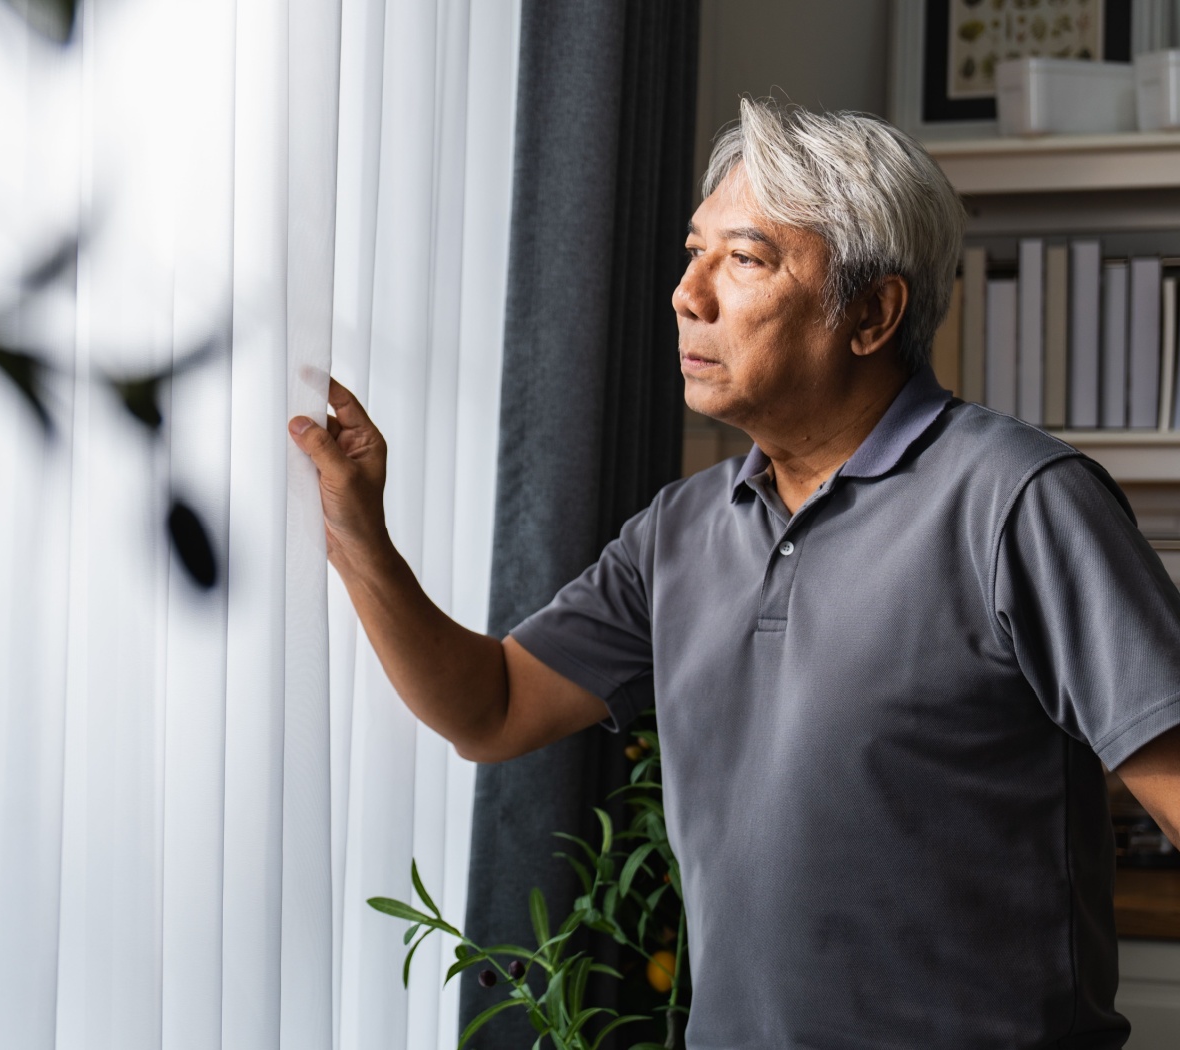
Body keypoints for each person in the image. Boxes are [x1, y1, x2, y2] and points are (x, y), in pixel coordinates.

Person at [289, 98, 1180, 1047]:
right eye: (693, 252)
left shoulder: (1020, 500)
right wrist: (359, 535)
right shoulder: (679, 529)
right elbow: (493, 708)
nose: (688, 292)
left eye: (746, 259)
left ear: (873, 315)